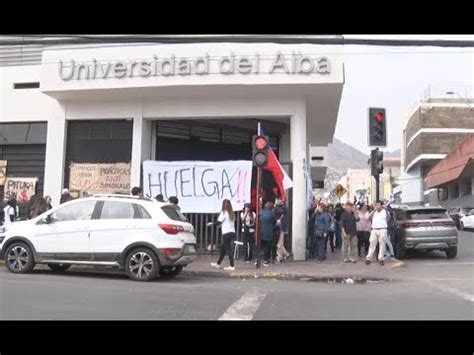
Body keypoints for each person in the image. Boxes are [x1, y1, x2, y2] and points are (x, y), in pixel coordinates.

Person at [210, 199, 237, 271]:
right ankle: (218, 264)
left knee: (228, 249)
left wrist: (212, 223)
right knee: (223, 248)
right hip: (232, 232)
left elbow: (218, 222)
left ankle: (232, 266)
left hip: (226, 233)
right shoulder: (232, 213)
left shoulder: (224, 213)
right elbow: (227, 222)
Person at [366, 200, 390, 266]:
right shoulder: (374, 212)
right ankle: (369, 258)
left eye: (379, 205)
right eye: (377, 205)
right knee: (372, 243)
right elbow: (368, 218)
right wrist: (373, 211)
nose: (378, 206)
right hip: (374, 229)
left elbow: (388, 218)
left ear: (382, 205)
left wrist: (386, 209)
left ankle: (381, 258)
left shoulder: (385, 212)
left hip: (383, 229)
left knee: (382, 245)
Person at [260, 201, 280, 266]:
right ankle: (266, 260)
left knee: (261, 246)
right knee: (267, 247)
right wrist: (278, 222)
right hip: (269, 232)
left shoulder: (261, 212)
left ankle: (259, 260)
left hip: (261, 231)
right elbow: (275, 223)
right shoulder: (272, 214)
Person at [274, 198, 291, 262]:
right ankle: (286, 254)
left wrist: (275, 205)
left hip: (282, 227)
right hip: (281, 226)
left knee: (279, 243)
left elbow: (277, 211)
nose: (277, 201)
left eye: (278, 199)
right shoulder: (283, 207)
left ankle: (279, 257)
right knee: (280, 242)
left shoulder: (283, 207)